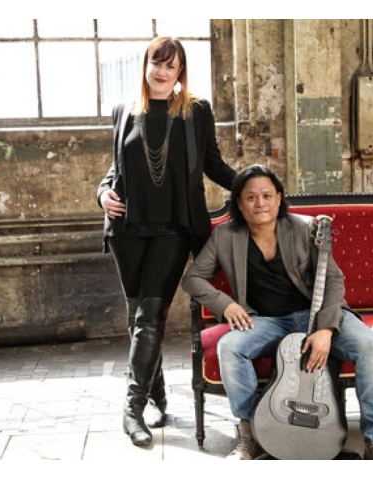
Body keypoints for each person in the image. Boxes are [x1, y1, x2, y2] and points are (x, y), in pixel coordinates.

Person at [181, 164, 373, 462]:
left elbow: (333, 280)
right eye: (251, 197)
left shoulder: (304, 228)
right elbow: (192, 279)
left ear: (279, 198)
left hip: (315, 314)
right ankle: (252, 437)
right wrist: (226, 304)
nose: (260, 203)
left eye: (267, 196)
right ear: (239, 203)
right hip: (265, 321)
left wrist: (325, 330)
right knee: (230, 347)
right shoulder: (225, 236)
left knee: (369, 346)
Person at [97, 36, 237, 447]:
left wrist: (254, 186)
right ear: (145, 65)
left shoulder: (196, 111)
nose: (161, 71)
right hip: (126, 228)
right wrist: (102, 194)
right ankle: (157, 397)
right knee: (138, 318)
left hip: (174, 228)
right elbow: (116, 168)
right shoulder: (123, 110)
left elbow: (212, 164)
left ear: (180, 72)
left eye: (170, 65)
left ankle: (131, 409)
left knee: (149, 315)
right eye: (156, 63)